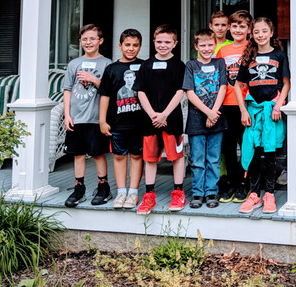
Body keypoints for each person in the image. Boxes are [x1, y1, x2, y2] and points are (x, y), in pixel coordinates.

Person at [235, 17, 289, 214]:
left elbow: (286, 83)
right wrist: (243, 110)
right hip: (253, 112)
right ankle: (254, 194)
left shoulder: (279, 56)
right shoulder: (248, 56)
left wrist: (278, 107)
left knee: (271, 153)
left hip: (272, 112)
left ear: (271, 33)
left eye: (264, 31)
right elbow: (237, 85)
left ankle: (270, 194)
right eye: (256, 32)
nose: (260, 35)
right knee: (254, 153)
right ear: (252, 34)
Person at [133, 24, 187, 215]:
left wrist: (164, 114)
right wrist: (153, 114)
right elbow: (140, 91)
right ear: (154, 42)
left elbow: (181, 91)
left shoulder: (179, 65)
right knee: (150, 157)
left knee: (176, 157)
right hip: (150, 119)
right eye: (159, 42)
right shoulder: (146, 65)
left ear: (175, 43)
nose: (163, 45)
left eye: (167, 42)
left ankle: (178, 192)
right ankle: (149, 194)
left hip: (171, 119)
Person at [63, 24, 112, 208]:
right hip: (76, 118)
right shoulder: (73, 64)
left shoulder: (107, 64)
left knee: (98, 153)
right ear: (80, 42)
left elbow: (109, 91)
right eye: (85, 39)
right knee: (78, 154)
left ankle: (103, 187)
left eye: (92, 39)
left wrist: (94, 80)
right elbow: (67, 90)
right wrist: (67, 115)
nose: (88, 42)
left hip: (95, 117)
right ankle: (79, 188)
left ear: (100, 41)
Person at [98, 28, 147, 210]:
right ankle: (121, 192)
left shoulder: (145, 66)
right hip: (117, 123)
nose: (131, 48)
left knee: (136, 155)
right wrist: (102, 121)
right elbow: (104, 96)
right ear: (120, 46)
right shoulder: (111, 69)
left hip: (139, 123)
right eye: (127, 45)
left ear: (140, 46)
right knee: (119, 156)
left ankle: (133, 192)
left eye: (135, 45)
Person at [183, 29, 228, 209]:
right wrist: (207, 113)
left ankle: (211, 191)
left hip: (217, 118)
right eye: (203, 45)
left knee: (214, 158)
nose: (207, 48)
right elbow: (190, 92)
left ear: (215, 45)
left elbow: (223, 87)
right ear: (196, 46)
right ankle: (197, 192)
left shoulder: (220, 63)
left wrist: (214, 112)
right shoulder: (191, 66)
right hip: (196, 119)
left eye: (210, 45)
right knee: (197, 158)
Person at [216, 9, 253, 203]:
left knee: (245, 145)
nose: (238, 30)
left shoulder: (251, 47)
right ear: (229, 28)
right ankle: (230, 182)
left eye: (242, 26)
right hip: (226, 104)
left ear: (249, 29)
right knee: (228, 146)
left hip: (245, 105)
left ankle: (244, 183)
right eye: (235, 26)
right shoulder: (224, 50)